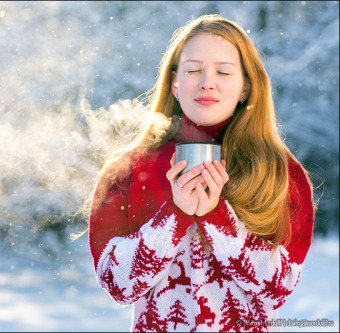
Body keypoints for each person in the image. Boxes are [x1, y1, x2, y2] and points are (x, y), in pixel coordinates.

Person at [86, 14, 315, 332]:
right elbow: (117, 284)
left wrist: (218, 218)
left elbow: (277, 289)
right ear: (174, 83)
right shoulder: (128, 171)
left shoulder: (278, 172)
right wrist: (174, 216)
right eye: (194, 70)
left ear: (246, 87)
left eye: (223, 71)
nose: (208, 81)